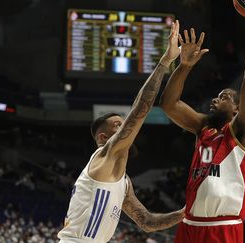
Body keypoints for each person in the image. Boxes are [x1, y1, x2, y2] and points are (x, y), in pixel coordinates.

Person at [159, 1, 245, 242]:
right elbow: (169, 105)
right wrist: (183, 67)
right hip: (190, 225)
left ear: (237, 109)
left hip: (223, 226)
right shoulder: (203, 127)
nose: (216, 99)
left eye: (224, 97)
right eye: (216, 96)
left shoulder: (242, 131)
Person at [58, 20, 185, 242]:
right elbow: (139, 111)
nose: (126, 125)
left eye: (123, 122)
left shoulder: (123, 182)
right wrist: (165, 62)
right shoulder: (103, 157)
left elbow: (147, 222)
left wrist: (185, 212)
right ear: (102, 138)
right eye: (118, 125)